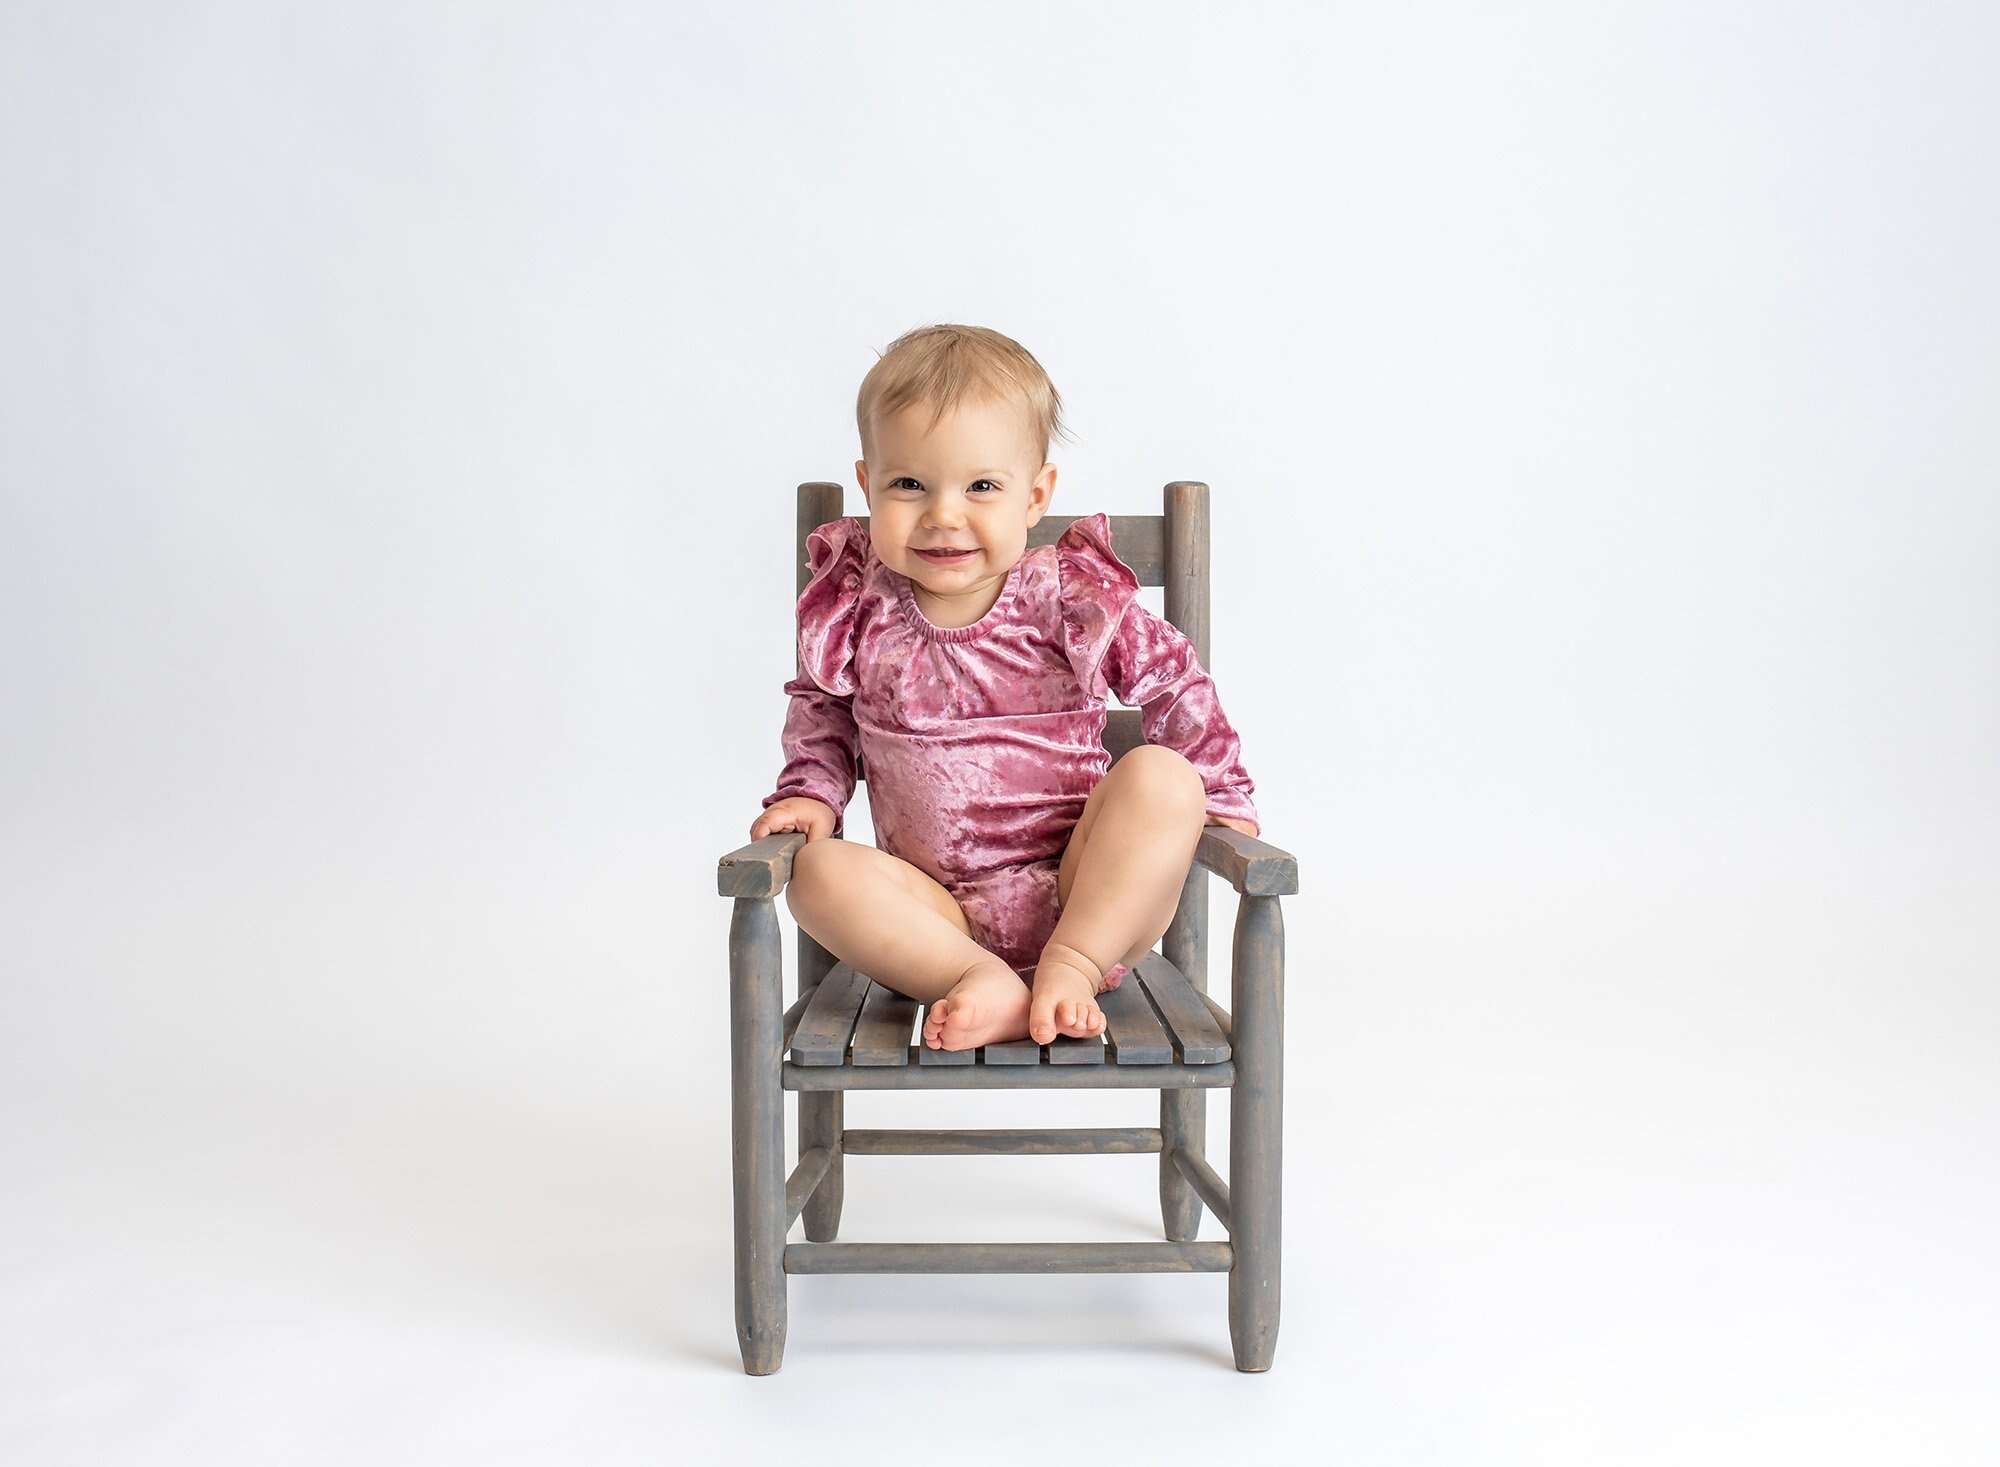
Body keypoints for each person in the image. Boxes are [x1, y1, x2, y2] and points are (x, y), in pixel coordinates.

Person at [750, 323, 1259, 1052]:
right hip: (932, 920)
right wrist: (810, 792)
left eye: (982, 486)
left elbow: (1173, 677)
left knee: (1164, 777)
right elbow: (822, 712)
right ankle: (983, 981)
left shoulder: (1065, 594)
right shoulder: (859, 604)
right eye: (908, 485)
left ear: (1035, 494)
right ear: (868, 485)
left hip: (1087, 893)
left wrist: (1220, 787)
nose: (943, 515)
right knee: (816, 873)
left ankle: (1070, 967)